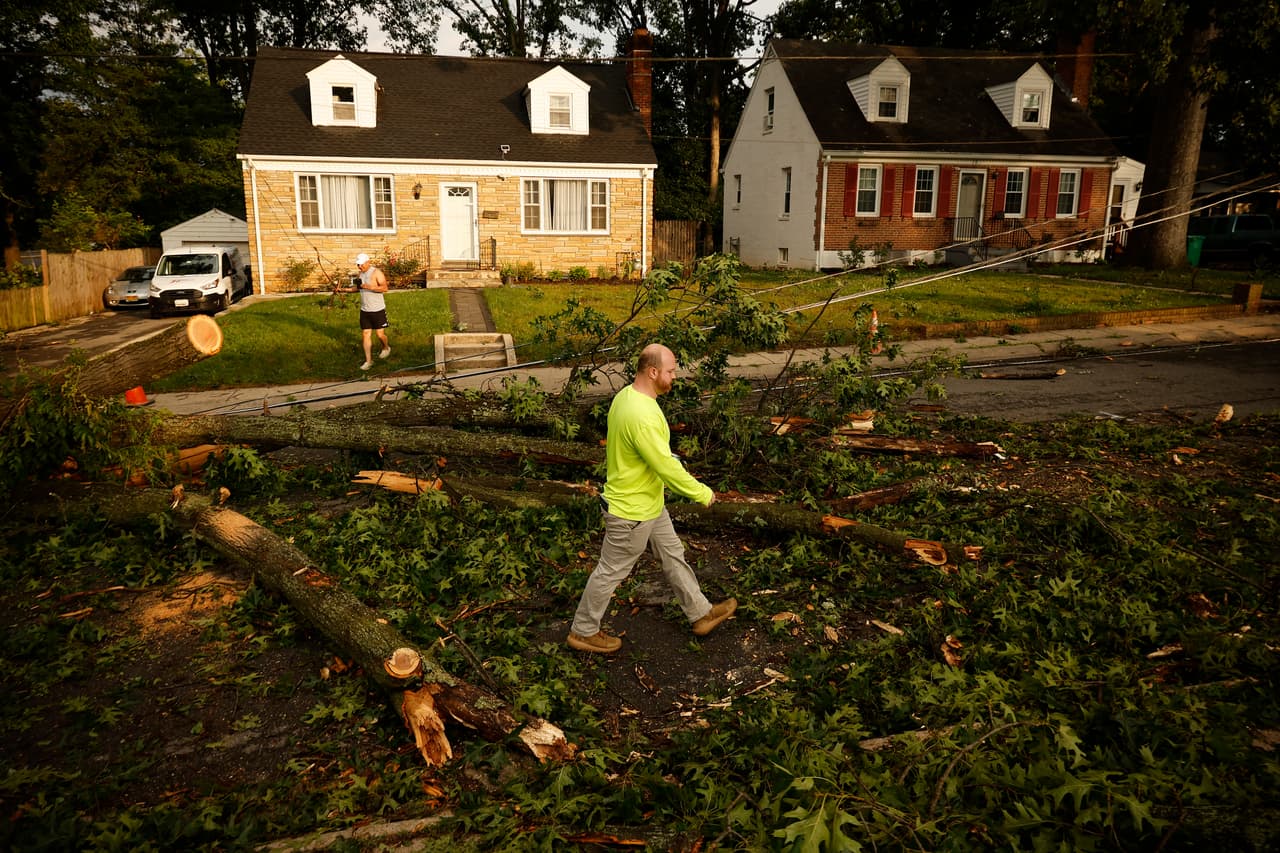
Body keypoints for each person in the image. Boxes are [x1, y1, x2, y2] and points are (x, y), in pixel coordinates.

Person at [568, 343, 737, 654]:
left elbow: (651, 454)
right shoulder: (641, 414)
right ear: (653, 371)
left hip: (649, 503)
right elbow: (664, 465)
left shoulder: (629, 396)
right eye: (671, 371)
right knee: (610, 571)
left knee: (673, 554)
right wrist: (702, 493)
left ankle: (700, 613)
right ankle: (583, 630)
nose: (675, 377)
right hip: (631, 511)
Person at [344, 253, 391, 370]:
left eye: (361, 265)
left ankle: (386, 347)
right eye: (358, 265)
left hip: (377, 309)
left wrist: (370, 287)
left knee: (380, 335)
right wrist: (344, 290)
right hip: (365, 309)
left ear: (368, 262)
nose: (359, 267)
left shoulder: (377, 273)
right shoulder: (361, 273)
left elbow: (385, 288)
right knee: (365, 334)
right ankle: (368, 361)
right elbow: (359, 288)